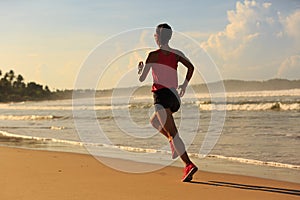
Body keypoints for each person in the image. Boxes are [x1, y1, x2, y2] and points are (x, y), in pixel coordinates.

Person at [138, 23, 197, 182]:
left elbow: (142, 78)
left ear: (157, 37)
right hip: (174, 97)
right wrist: (184, 85)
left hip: (161, 96)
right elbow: (191, 67)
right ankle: (173, 143)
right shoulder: (176, 53)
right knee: (154, 122)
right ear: (169, 37)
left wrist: (140, 69)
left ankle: (188, 164)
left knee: (173, 133)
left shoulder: (153, 55)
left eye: (155, 35)